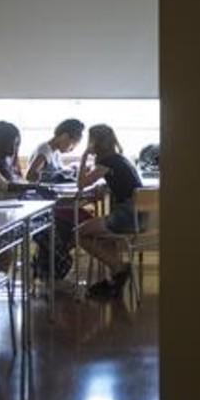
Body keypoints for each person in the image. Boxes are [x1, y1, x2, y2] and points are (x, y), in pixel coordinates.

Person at [76, 124, 143, 300]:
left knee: (80, 233)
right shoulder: (120, 159)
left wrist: (84, 157)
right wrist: (107, 187)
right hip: (139, 214)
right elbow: (123, 183)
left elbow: (81, 184)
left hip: (127, 215)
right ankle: (116, 274)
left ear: (94, 143)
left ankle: (118, 268)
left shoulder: (106, 162)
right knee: (99, 235)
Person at [0, 120, 30, 200]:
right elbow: (6, 186)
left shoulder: (10, 161)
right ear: (1, 143)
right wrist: (32, 186)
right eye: (12, 144)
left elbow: (21, 181)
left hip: (18, 202)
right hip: (4, 205)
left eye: (17, 144)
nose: (14, 149)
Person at [26, 118, 85, 182]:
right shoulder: (45, 150)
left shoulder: (55, 152)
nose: (71, 150)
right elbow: (30, 175)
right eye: (72, 145)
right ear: (64, 136)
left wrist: (72, 169)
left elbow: (56, 170)